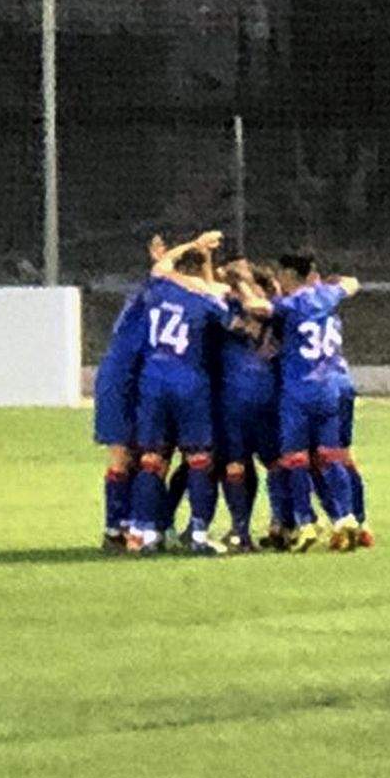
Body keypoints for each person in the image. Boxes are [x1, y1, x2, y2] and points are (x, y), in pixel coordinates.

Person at [128, 231, 240, 556]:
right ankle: (199, 534)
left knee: (151, 461)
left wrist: (194, 245)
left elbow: (162, 266)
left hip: (152, 382)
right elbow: (232, 322)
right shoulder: (204, 300)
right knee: (199, 460)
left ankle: (149, 535)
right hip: (189, 383)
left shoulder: (158, 289)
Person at [263, 252, 363, 553]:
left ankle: (305, 522)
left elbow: (260, 308)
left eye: (280, 275)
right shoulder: (328, 297)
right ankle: (346, 518)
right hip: (330, 387)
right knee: (331, 455)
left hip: (299, 389)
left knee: (294, 458)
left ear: (290, 275)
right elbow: (352, 283)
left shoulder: (291, 305)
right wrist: (333, 285)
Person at [94, 235, 168, 554]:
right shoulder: (153, 297)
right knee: (140, 457)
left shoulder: (142, 299)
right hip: (126, 381)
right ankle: (130, 528)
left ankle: (124, 528)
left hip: (123, 379)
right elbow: (162, 275)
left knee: (130, 457)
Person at [214, 260, 285, 552]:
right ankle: (248, 528)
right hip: (245, 398)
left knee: (269, 464)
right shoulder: (266, 308)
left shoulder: (270, 310)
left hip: (256, 399)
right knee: (243, 465)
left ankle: (271, 525)